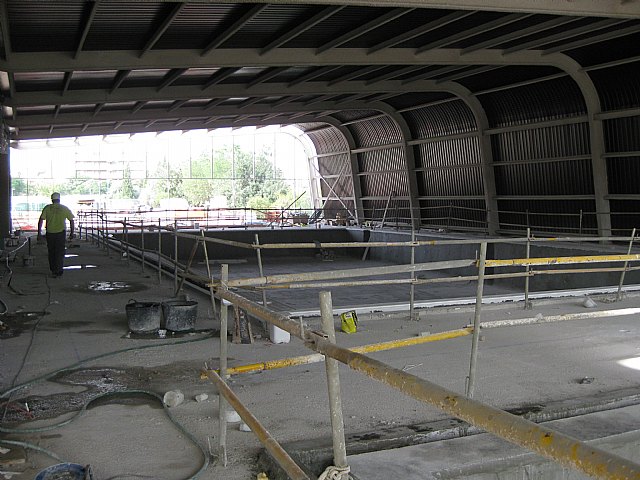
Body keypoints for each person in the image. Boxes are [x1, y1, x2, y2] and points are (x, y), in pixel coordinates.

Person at [37, 192, 75, 277]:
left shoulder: (47, 208)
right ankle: (59, 269)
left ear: (52, 199)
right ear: (59, 199)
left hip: (50, 233)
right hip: (60, 233)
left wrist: (39, 233)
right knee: (60, 251)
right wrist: (72, 233)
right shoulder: (64, 208)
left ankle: (53, 269)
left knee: (51, 251)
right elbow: (71, 220)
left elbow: (41, 220)